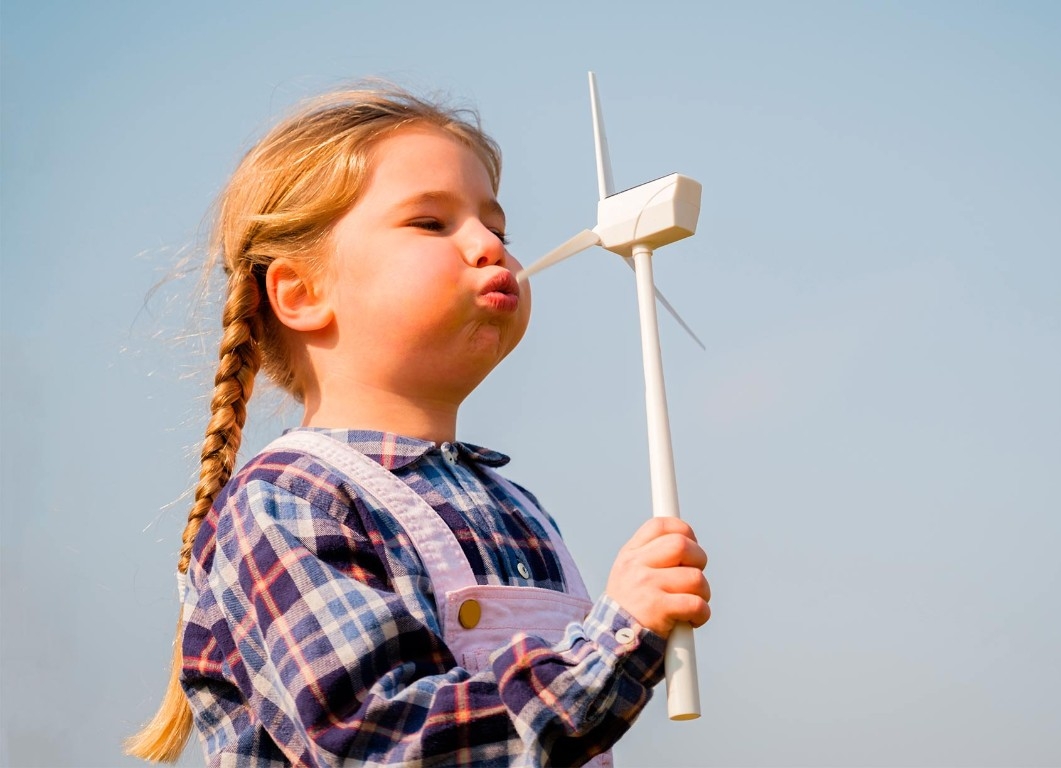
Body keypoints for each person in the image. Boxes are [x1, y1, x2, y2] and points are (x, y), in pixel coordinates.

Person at [125, 85, 711, 767]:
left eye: (499, 228)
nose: (488, 245)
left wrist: (623, 638)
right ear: (301, 293)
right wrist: (617, 639)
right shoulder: (287, 502)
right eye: (432, 224)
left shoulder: (518, 509)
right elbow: (383, 739)